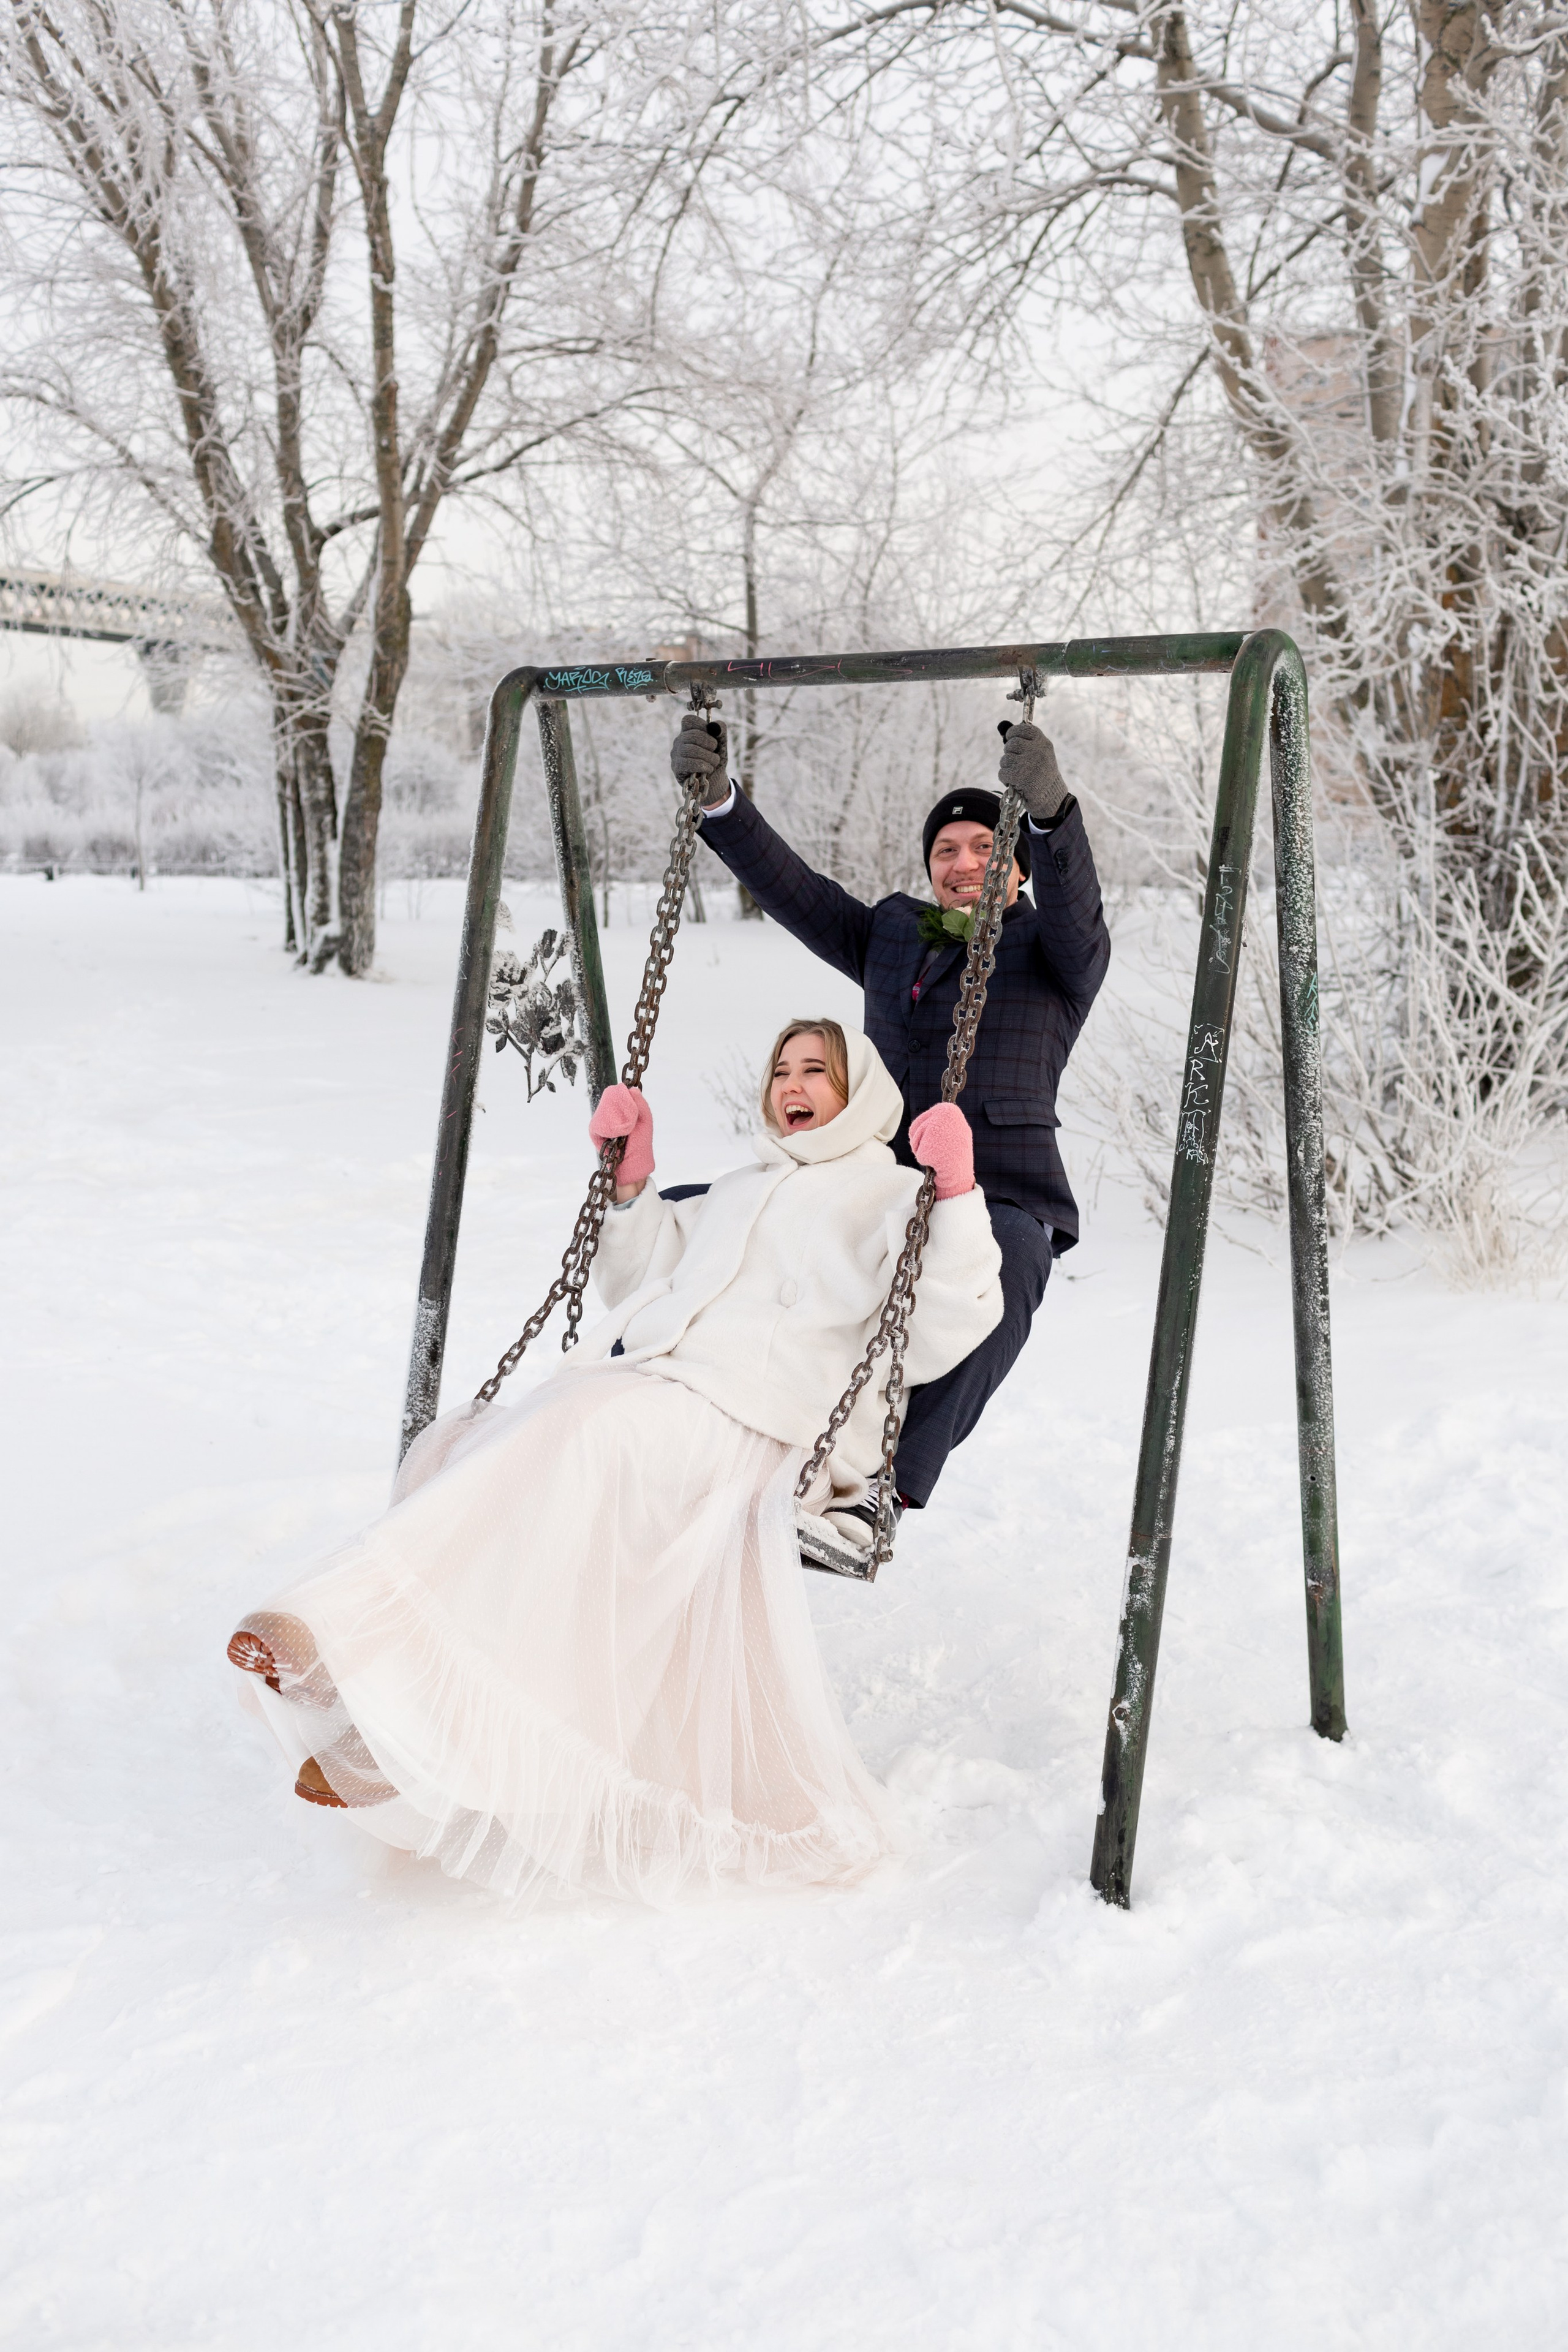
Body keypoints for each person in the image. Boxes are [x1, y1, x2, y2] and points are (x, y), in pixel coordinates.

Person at [227, 1022, 1001, 1907]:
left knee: (581, 1432)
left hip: (759, 1425)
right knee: (469, 1445)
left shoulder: (892, 1197)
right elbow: (644, 1274)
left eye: (815, 1070)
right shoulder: (741, 1188)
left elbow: (951, 1320)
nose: (792, 1083)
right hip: (666, 1392)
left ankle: (373, 1663)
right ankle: (397, 1713)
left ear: (858, 1092)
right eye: (780, 1068)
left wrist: (959, 1193)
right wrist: (633, 1180)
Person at [673, 714, 1110, 1520]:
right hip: (873, 1183)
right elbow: (794, 890)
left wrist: (1050, 811)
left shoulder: (1054, 952)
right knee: (698, 1217)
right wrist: (722, 805)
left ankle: (882, 1490)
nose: (964, 862)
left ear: (1015, 868)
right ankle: (681, 1423)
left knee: (1005, 1272)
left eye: (986, 847)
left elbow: (1080, 910)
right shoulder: (890, 936)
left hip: (1002, 1192)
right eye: (947, 850)